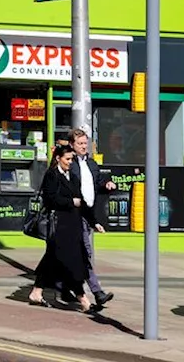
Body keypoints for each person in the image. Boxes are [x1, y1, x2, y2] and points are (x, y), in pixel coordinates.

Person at [30, 143, 93, 312]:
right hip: (58, 224)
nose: (70, 162)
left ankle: (36, 292)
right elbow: (50, 199)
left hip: (72, 225)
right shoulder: (52, 175)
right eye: (67, 159)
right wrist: (70, 202)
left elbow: (81, 199)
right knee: (71, 262)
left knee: (52, 260)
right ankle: (84, 300)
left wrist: (94, 221)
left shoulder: (72, 176)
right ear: (58, 159)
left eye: (72, 159)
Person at [71, 126, 116, 308]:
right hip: (71, 215)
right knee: (83, 254)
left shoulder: (91, 164)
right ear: (72, 145)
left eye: (85, 143)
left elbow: (97, 183)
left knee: (72, 256)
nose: (84, 147)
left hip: (87, 214)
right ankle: (96, 292)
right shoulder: (68, 163)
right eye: (80, 143)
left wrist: (107, 184)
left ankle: (50, 287)